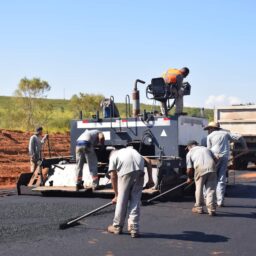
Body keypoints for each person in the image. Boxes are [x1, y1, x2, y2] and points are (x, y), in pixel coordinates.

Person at [107, 147, 155, 238]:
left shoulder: (113, 156)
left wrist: (117, 195)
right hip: (140, 172)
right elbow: (148, 160)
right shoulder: (130, 151)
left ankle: (117, 226)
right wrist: (150, 180)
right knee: (135, 200)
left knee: (122, 200)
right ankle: (134, 228)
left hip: (126, 172)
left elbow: (113, 176)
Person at [204, 121, 248, 207]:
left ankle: (207, 199)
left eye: (209, 129)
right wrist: (245, 147)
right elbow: (240, 137)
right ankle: (220, 201)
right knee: (221, 178)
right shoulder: (225, 134)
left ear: (212, 128)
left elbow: (208, 150)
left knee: (210, 178)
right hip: (224, 158)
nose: (208, 130)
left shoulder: (209, 136)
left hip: (214, 158)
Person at [186, 140, 217, 216]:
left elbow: (189, 169)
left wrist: (189, 178)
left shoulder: (190, 153)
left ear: (189, 146)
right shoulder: (206, 149)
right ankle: (211, 209)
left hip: (200, 169)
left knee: (199, 189)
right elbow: (216, 158)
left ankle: (199, 208)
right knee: (211, 190)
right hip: (212, 168)